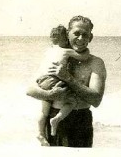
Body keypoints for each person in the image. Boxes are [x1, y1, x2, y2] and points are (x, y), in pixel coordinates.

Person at [26, 15, 107, 147]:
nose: (80, 38)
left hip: (80, 120)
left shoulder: (95, 63)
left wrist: (67, 78)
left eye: (85, 35)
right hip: (53, 118)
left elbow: (96, 99)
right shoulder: (55, 56)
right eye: (76, 33)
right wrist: (50, 95)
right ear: (68, 33)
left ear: (90, 38)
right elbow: (30, 90)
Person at [35, 24, 90, 146]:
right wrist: (87, 51)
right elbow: (84, 56)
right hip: (53, 80)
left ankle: (40, 132)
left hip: (42, 81)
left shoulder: (48, 50)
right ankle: (57, 119)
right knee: (72, 101)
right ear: (65, 39)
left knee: (44, 112)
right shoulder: (66, 51)